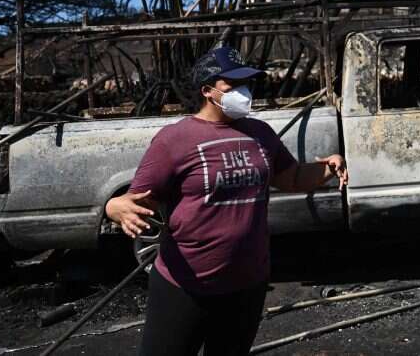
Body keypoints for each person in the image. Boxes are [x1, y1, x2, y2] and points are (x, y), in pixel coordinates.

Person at [104, 46, 348, 356]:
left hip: (248, 283)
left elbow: (292, 178)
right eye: (233, 85)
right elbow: (136, 199)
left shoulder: (261, 133)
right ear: (207, 91)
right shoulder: (174, 140)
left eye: (247, 83)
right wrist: (114, 208)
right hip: (186, 286)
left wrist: (327, 168)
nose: (244, 92)